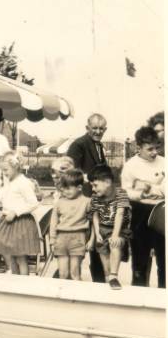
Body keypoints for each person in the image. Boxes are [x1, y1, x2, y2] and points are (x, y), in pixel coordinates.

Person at [66, 113, 109, 283]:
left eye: (101, 128)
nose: (98, 131)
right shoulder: (79, 144)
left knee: (96, 243)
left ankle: (98, 282)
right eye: (94, 128)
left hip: (97, 201)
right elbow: (70, 172)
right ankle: (64, 280)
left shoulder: (98, 145)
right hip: (83, 202)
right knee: (80, 245)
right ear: (87, 128)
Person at [121, 126, 165, 288]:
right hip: (140, 214)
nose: (154, 152)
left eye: (157, 148)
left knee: (164, 261)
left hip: (162, 212)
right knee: (140, 262)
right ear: (138, 148)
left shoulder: (164, 163)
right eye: (150, 149)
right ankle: (139, 296)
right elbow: (126, 191)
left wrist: (149, 188)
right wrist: (140, 194)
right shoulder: (131, 166)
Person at [0, 151, 40, 275]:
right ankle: (14, 276)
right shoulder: (9, 182)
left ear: (16, 167)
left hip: (20, 222)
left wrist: (16, 212)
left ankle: (23, 281)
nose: (4, 173)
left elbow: (33, 203)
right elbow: (2, 200)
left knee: (20, 256)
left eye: (6, 170)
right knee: (7, 253)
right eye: (2, 170)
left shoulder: (23, 183)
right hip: (7, 221)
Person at [89, 164, 132, 290]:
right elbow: (95, 216)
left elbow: (120, 214)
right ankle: (108, 276)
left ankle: (114, 276)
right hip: (102, 227)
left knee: (115, 243)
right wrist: (97, 234)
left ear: (107, 182)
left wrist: (115, 234)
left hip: (119, 228)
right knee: (103, 253)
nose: (93, 189)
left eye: (95, 185)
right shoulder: (95, 197)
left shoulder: (121, 193)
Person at [50, 169, 93, 281]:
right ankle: (63, 297)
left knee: (75, 273)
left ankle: (75, 297)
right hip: (61, 238)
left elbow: (94, 221)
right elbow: (54, 221)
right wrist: (52, 238)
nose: (65, 191)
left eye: (68, 188)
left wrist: (91, 239)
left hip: (78, 238)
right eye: (63, 188)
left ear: (79, 187)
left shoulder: (87, 202)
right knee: (62, 273)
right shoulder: (59, 202)